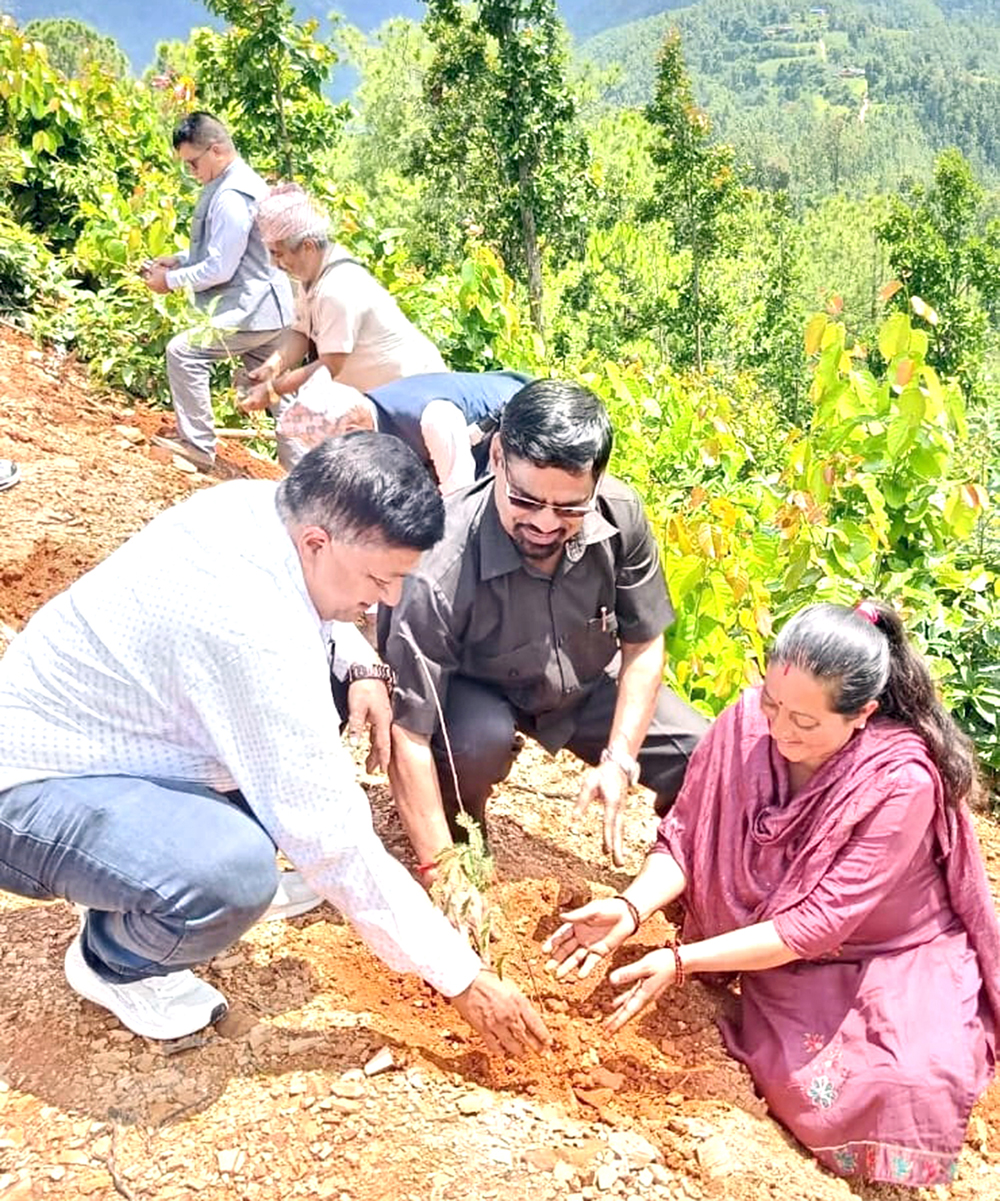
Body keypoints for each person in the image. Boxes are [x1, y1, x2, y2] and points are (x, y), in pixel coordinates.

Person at [0, 433, 550, 1057]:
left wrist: (360, 660)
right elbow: (332, 838)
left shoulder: (260, 509)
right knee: (229, 874)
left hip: (120, 745)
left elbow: (309, 613)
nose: (389, 599)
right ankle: (114, 959)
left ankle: (140, 863)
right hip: (30, 792)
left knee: (325, 710)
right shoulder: (245, 629)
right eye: (380, 578)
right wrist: (463, 978)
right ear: (319, 541)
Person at [544, 601, 1000, 1187]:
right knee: (799, 1078)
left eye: (806, 723)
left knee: (903, 1083)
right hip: (785, 950)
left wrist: (682, 960)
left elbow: (815, 926)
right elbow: (688, 841)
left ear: (863, 713)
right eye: (773, 704)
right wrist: (632, 909)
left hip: (890, 950)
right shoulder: (743, 725)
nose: (779, 729)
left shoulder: (899, 782)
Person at [381, 379, 708, 872]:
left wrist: (620, 757)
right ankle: (459, 834)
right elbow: (407, 734)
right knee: (474, 743)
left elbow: (643, 643)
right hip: (473, 691)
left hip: (585, 679)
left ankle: (684, 867)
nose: (546, 524)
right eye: (526, 501)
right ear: (495, 458)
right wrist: (440, 874)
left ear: (596, 483)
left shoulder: (622, 515)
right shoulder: (437, 567)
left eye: (570, 507)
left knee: (704, 756)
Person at [241, 184, 445, 465]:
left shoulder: (338, 288)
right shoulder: (312, 275)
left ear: (308, 246)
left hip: (415, 395)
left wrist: (274, 390)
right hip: (379, 400)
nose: (275, 263)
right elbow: (301, 332)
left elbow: (329, 365)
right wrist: (273, 366)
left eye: (278, 253)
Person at [142, 112, 294, 472]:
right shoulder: (244, 183)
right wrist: (179, 260)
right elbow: (229, 253)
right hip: (273, 310)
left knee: (183, 353)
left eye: (194, 163)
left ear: (217, 150)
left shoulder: (230, 196)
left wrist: (169, 281)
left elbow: (220, 268)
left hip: (250, 310)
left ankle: (197, 446)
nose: (192, 172)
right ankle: (304, 479)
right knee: (280, 393)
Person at [277, 368, 533, 488]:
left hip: (525, 429)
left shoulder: (432, 419)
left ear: (352, 432)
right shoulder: (375, 414)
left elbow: (461, 501)